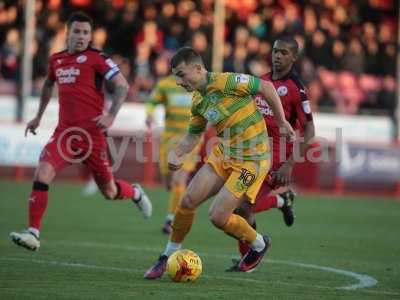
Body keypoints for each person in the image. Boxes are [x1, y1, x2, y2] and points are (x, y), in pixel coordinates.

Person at [144, 46, 295, 279]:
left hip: (252, 161)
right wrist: (178, 153)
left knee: (218, 217)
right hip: (224, 154)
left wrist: (282, 122)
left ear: (198, 68)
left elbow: (265, 87)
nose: (178, 81)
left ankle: (259, 243)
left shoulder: (227, 82)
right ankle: (166, 257)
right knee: (187, 201)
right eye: (176, 76)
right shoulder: (197, 101)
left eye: (181, 75)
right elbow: (193, 135)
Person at [10, 12, 152, 251]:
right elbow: (47, 84)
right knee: (42, 171)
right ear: (68, 33)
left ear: (90, 36)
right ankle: (33, 232)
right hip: (64, 135)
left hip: (92, 136)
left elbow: (122, 85)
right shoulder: (57, 60)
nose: (81, 36)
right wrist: (37, 117)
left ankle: (135, 192)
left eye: (86, 33)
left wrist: (111, 116)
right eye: (77, 31)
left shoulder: (97, 58)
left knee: (109, 191)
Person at [228, 36, 315, 270]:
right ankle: (280, 201)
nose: (277, 55)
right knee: (238, 207)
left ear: (294, 57)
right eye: (276, 51)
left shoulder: (297, 89)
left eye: (284, 53)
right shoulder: (262, 81)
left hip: (275, 157)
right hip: (251, 152)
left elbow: (310, 131)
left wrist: (289, 165)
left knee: (243, 206)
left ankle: (251, 258)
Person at [146, 74, 200, 234]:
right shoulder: (165, 84)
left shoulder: (198, 84)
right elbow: (151, 102)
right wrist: (149, 114)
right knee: (169, 181)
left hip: (190, 139)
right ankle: (175, 204)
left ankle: (171, 219)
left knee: (179, 180)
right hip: (169, 140)